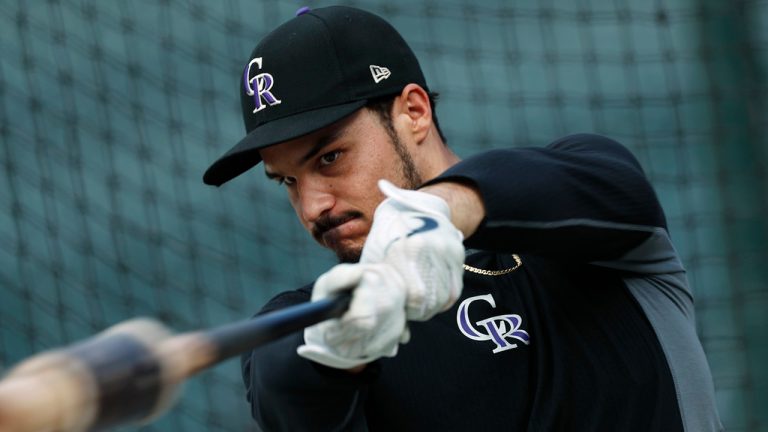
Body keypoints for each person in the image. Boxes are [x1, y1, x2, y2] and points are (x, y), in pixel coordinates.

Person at [203, 5, 722, 431]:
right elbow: (281, 384)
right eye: (288, 181)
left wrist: (435, 211)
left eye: (329, 158)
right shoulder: (321, 319)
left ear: (414, 112)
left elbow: (607, 185)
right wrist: (335, 348)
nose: (312, 206)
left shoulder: (593, 226)